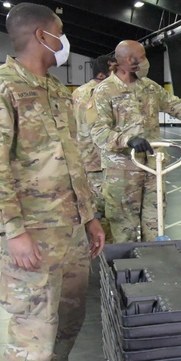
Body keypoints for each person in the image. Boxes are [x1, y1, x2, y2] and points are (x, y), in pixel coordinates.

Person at [0, 3, 106, 361]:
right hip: (31, 236)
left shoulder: (55, 90)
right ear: (42, 35)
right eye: (60, 33)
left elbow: (75, 160)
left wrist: (89, 217)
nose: (65, 42)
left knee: (66, 317)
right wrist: (14, 231)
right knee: (32, 324)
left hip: (67, 230)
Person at [91, 40, 181, 243]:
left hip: (153, 167)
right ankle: (127, 270)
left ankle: (153, 267)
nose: (145, 61)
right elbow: (98, 131)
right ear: (127, 60)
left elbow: (177, 106)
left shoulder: (149, 87)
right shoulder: (104, 91)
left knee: (155, 223)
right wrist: (127, 140)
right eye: (142, 56)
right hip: (122, 172)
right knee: (124, 228)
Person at [72, 54, 116, 237]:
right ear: (102, 73)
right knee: (106, 215)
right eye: (114, 69)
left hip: (83, 162)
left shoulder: (77, 93)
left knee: (89, 211)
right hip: (101, 162)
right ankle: (105, 255)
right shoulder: (103, 93)